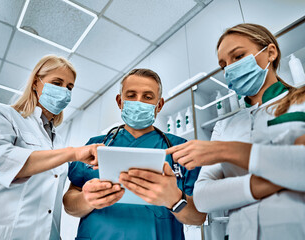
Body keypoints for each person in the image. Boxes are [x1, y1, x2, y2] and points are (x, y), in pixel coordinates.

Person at [166, 23, 305, 239]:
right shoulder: (224, 126)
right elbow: (202, 197)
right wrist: (276, 179)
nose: (229, 68)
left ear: (270, 52)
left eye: (238, 56)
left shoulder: (301, 102)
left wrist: (227, 152)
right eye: (223, 65)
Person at [0, 55, 102, 240]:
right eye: (57, 82)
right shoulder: (5, 115)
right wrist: (72, 153)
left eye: (69, 87)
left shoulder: (58, 141)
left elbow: (50, 206)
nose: (64, 91)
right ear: (36, 83)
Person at [63, 68, 206, 240]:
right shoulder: (96, 147)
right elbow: (70, 203)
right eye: (131, 95)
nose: (139, 102)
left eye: (147, 97)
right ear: (120, 101)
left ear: (159, 105)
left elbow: (198, 217)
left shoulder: (179, 149)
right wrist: (86, 199)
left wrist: (174, 199)